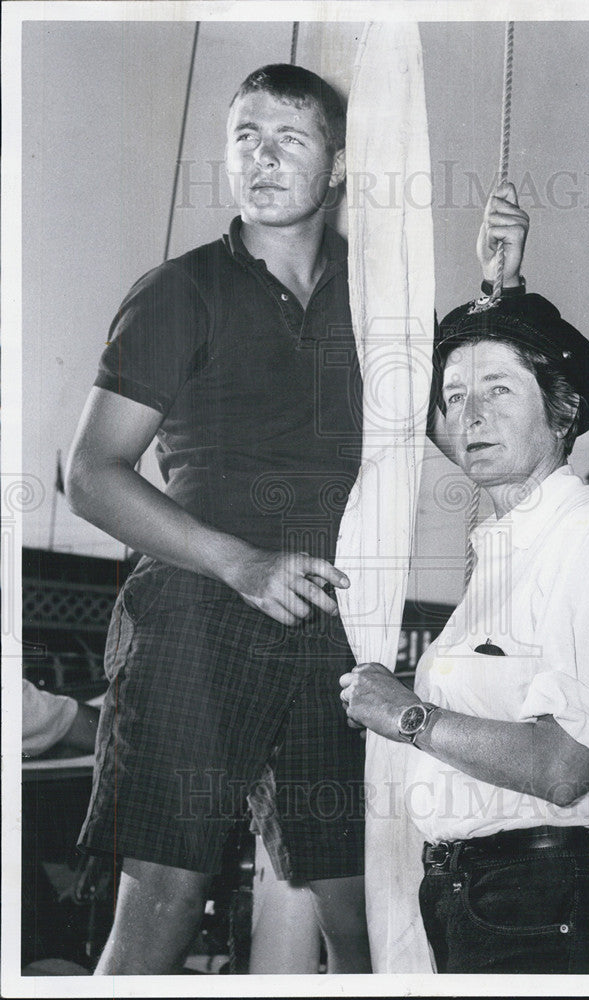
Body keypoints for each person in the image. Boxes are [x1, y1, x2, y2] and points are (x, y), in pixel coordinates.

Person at [65, 63, 371, 975]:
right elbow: (88, 475)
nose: (263, 157)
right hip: (197, 612)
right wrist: (237, 562)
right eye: (245, 137)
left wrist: (493, 289)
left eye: (291, 138)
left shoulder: (382, 297)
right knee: (165, 898)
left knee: (363, 907)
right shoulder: (181, 289)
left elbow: (464, 417)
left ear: (342, 164)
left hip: (334, 620)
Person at [339, 214, 589, 973]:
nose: (469, 416)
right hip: (484, 900)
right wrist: (500, 290)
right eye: (454, 398)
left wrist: (408, 715)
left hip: (548, 906)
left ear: (563, 412)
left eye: (498, 391)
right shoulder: (504, 545)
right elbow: (411, 414)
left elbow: (564, 764)